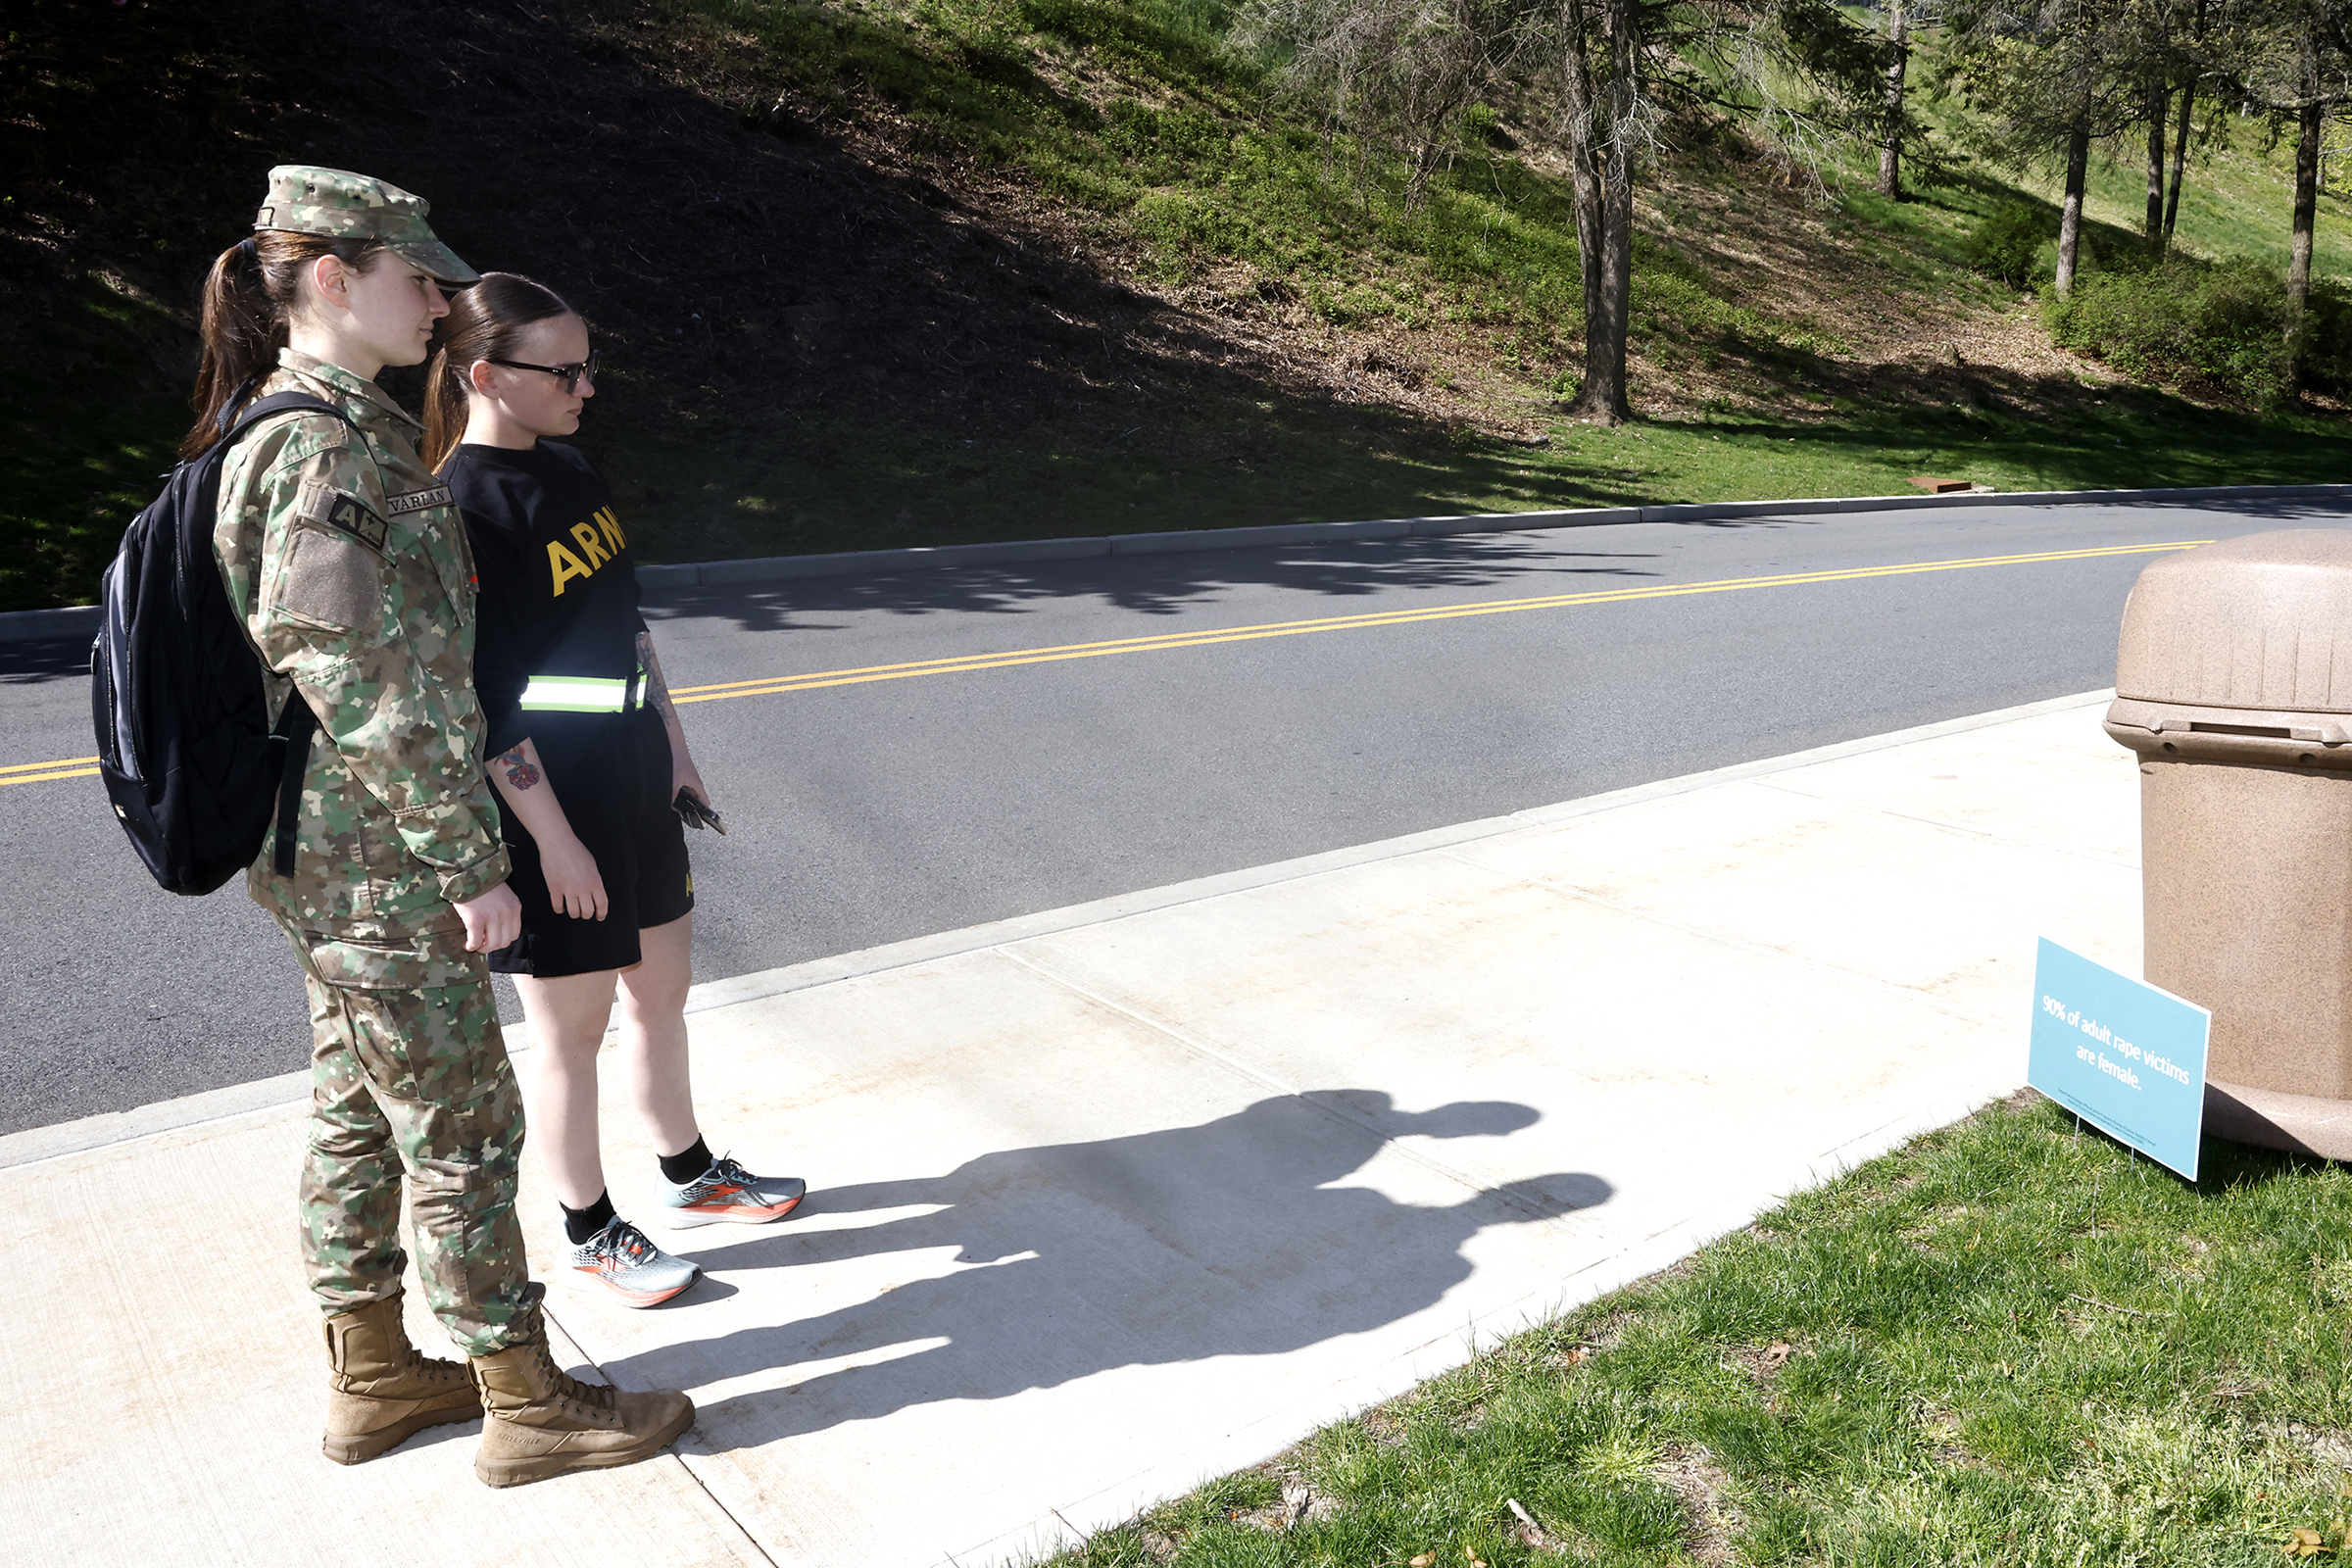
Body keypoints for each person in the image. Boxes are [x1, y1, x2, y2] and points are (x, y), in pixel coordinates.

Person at [198, 167, 692, 1484]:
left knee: (361, 1107)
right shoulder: (321, 446)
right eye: (417, 275)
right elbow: (357, 674)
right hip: (383, 858)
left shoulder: (317, 427)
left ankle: (372, 1376)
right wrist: (472, 859)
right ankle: (523, 1399)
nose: (438, 297)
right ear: (329, 278)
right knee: (466, 1129)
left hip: (343, 853)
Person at [420, 272, 806, 1310]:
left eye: (590, 365)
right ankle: (590, 1230)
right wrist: (551, 841)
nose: (586, 385)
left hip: (636, 781)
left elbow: (628, 629)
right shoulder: (459, 508)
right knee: (569, 1033)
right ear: (486, 375)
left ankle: (691, 1172)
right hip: (555, 814)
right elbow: (486, 702)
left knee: (661, 997)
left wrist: (676, 748)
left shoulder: (575, 471)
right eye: (565, 370)